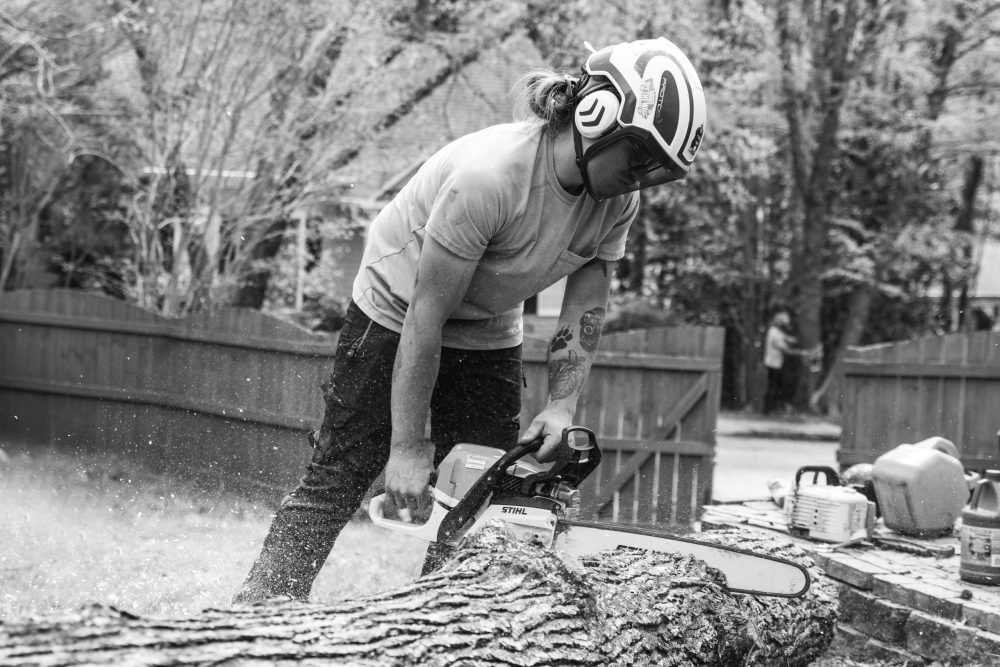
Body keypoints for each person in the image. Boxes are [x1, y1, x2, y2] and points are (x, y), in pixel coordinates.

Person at [233, 37, 707, 605]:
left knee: (483, 498)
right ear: (597, 114)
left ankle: (447, 622)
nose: (641, 179)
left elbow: (585, 306)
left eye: (655, 172)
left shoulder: (616, 202)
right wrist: (408, 446)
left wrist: (561, 407)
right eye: (638, 160)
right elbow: (424, 317)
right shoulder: (490, 178)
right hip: (395, 311)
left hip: (489, 322)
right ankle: (257, 612)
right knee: (341, 475)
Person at [762, 310, 817, 414]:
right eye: (784, 321)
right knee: (774, 387)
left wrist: (791, 339)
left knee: (775, 386)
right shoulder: (775, 333)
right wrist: (801, 352)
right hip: (773, 363)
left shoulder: (775, 331)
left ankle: (771, 409)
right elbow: (786, 350)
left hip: (775, 363)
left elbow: (785, 337)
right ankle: (769, 410)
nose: (786, 323)